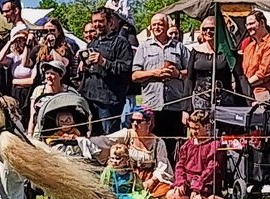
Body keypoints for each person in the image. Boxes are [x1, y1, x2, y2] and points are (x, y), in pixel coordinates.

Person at [131, 12, 190, 152]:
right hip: (152, 105)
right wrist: (154, 73)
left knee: (174, 145)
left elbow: (191, 72)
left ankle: (173, 172)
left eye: (160, 24)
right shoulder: (143, 48)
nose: (157, 27)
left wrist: (178, 74)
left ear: (167, 26)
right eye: (154, 25)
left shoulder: (179, 47)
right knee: (151, 144)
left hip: (174, 105)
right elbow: (134, 75)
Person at [80, 9, 135, 135]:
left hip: (109, 101)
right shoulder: (92, 43)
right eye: (94, 21)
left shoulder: (121, 43)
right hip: (90, 97)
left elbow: (125, 68)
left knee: (108, 137)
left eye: (100, 21)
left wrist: (104, 62)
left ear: (110, 22)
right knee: (91, 137)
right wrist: (84, 66)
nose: (97, 25)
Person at [102, 107, 173, 199]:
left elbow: (162, 166)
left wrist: (152, 181)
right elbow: (105, 140)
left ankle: (147, 197)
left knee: (166, 191)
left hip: (150, 177)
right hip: (130, 175)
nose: (135, 124)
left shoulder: (158, 142)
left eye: (139, 121)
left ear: (149, 122)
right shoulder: (127, 134)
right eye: (132, 120)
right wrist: (83, 140)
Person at [165, 110, 225, 199]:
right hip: (188, 182)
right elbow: (180, 165)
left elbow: (212, 168)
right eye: (191, 129)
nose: (193, 132)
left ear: (207, 127)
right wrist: (181, 182)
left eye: (196, 128)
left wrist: (197, 186)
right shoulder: (187, 145)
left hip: (204, 183)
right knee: (169, 195)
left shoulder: (213, 145)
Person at [187, 15, 240, 111]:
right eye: (205, 29)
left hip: (224, 102)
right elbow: (189, 79)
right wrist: (186, 109)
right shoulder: (195, 51)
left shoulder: (227, 52)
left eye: (212, 29)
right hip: (199, 104)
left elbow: (239, 77)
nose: (208, 32)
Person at [241, 11, 270, 102]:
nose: (249, 27)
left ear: (262, 23)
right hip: (247, 92)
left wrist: (243, 85)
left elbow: (264, 73)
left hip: (266, 95)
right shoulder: (250, 47)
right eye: (247, 25)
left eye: (252, 23)